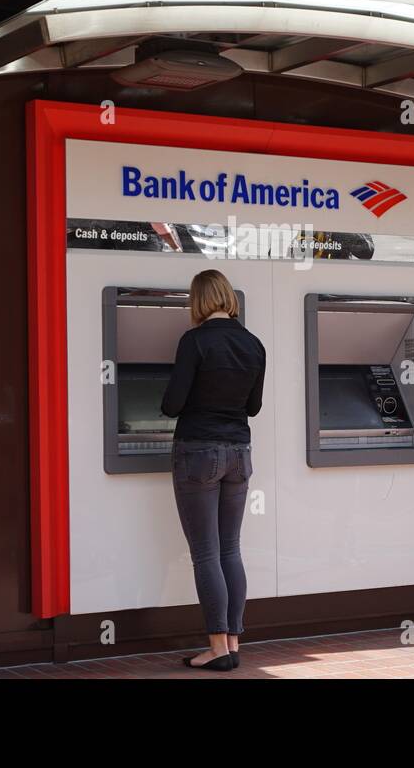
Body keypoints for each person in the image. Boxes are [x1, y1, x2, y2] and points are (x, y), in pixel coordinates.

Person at [160, 269, 266, 672]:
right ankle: (233, 642)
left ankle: (217, 649)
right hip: (239, 452)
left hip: (198, 452)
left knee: (205, 553)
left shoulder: (194, 341)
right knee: (229, 549)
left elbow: (172, 404)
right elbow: (253, 406)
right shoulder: (253, 344)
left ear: (198, 300)